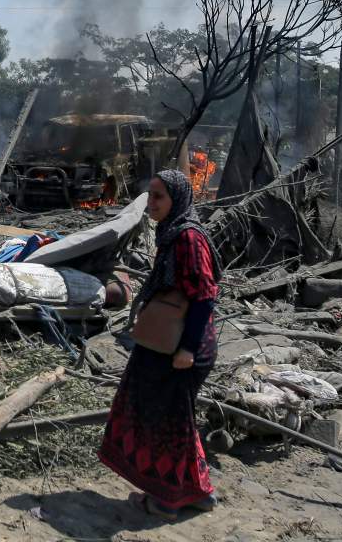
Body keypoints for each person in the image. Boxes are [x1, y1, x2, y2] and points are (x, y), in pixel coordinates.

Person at [100, 170, 219, 520]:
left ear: (177, 200)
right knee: (172, 417)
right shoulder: (172, 233)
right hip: (166, 341)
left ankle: (167, 500)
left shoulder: (188, 239)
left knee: (166, 421)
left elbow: (204, 298)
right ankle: (199, 493)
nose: (150, 203)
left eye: (158, 197)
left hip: (183, 346)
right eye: (149, 195)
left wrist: (187, 350)